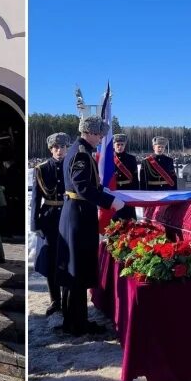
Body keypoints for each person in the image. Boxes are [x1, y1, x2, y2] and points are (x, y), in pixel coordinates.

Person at [57, 116, 125, 336]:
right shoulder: (81, 154)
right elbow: (83, 187)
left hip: (77, 212)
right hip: (78, 214)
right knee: (77, 270)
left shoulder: (79, 150)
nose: (101, 138)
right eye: (99, 134)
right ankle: (77, 324)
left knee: (74, 269)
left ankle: (72, 320)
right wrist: (109, 201)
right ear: (89, 132)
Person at [31, 132, 69, 316]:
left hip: (68, 217)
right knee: (51, 259)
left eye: (62, 147)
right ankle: (55, 299)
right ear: (50, 149)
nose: (59, 150)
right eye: (55, 147)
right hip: (49, 218)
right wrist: (34, 224)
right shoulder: (41, 168)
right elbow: (36, 199)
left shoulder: (72, 166)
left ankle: (67, 297)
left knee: (67, 259)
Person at [112, 133, 140, 219]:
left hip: (128, 191)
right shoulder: (109, 159)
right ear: (114, 145)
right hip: (114, 191)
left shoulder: (131, 159)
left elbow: (135, 178)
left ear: (125, 145)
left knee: (129, 217)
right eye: (118, 144)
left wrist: (135, 194)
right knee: (115, 218)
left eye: (122, 145)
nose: (120, 147)